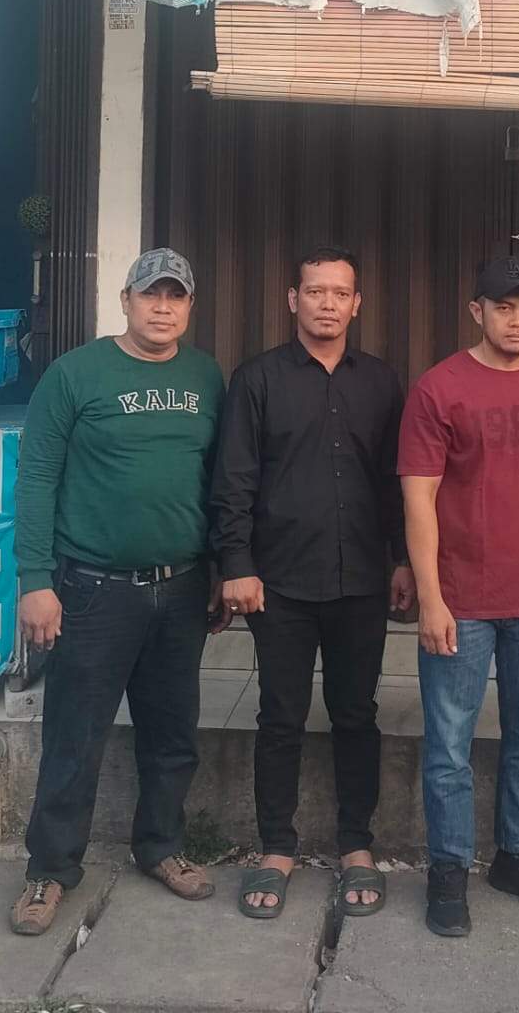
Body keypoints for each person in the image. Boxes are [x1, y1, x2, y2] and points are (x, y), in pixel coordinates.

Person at [9, 248, 228, 936]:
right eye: (150, 294)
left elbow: (219, 482)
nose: (162, 307)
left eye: (175, 296)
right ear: (126, 300)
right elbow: (36, 476)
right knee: (74, 736)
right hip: (92, 590)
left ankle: (161, 847)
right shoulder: (76, 374)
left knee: (172, 734)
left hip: (181, 587)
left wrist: (219, 568)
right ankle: (50, 869)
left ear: (189, 306)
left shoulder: (205, 376)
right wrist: (35, 580)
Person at [213, 245, 414, 921]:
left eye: (340, 292)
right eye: (315, 291)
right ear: (293, 300)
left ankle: (357, 843)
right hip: (280, 582)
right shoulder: (258, 379)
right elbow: (234, 477)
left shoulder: (380, 382)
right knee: (281, 715)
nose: (327, 303)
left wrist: (402, 559)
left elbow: (394, 480)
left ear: (357, 304)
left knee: (357, 713)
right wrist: (236, 564)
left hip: (361, 580)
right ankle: (277, 847)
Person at [398, 255, 519, 938]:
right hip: (462, 599)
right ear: (476, 310)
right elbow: (418, 499)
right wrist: (431, 597)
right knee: (449, 745)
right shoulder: (439, 388)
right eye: (502, 307)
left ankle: (516, 854)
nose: (515, 320)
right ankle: (449, 869)